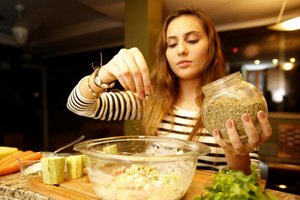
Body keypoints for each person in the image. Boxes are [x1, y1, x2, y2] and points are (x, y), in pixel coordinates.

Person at [67, 7, 272, 175]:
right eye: (171, 44)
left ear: (211, 47)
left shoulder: (232, 106)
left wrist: (237, 154)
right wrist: (103, 75)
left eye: (192, 40)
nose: (181, 50)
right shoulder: (147, 100)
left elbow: (248, 181)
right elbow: (78, 106)